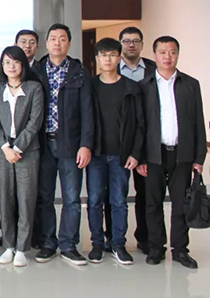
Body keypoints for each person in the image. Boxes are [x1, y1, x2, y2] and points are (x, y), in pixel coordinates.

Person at [138, 36, 206, 269]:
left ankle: (180, 250)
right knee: (153, 204)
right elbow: (140, 126)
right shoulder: (144, 86)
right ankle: (156, 247)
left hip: (182, 154)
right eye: (163, 52)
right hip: (153, 155)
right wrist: (140, 157)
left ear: (178, 54)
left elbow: (198, 121)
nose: (167, 57)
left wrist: (199, 157)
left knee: (181, 204)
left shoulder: (191, 84)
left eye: (172, 52)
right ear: (154, 55)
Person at [30, 23, 94, 266]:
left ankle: (68, 245)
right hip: (42, 145)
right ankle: (48, 243)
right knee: (44, 197)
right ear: (46, 43)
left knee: (72, 198)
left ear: (69, 43)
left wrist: (86, 144)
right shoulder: (35, 72)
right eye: (53, 39)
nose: (57, 43)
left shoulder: (80, 72)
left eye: (62, 39)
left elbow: (88, 112)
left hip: (71, 144)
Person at [85, 38, 144, 265]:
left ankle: (118, 244)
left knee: (119, 201)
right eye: (103, 55)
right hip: (96, 154)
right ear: (97, 59)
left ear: (119, 58)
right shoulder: (90, 86)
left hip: (122, 155)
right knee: (94, 200)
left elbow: (140, 124)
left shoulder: (131, 88)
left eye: (112, 55)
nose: (107, 59)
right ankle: (97, 244)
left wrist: (135, 153)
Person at [0, 46, 44, 267]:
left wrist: (18, 147)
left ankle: (22, 248)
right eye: (7, 62)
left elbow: (35, 122)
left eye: (16, 62)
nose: (11, 66)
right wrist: (6, 147)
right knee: (5, 199)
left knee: (26, 200)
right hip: (2, 151)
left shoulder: (34, 88)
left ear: (23, 64)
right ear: (2, 66)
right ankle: (8, 246)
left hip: (27, 151)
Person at [117, 26, 156, 256]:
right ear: (120, 44)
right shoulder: (111, 68)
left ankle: (145, 238)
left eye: (135, 41)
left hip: (147, 139)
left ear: (142, 44)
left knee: (146, 193)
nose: (131, 45)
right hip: (119, 141)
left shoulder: (153, 69)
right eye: (126, 41)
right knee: (116, 194)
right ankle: (114, 238)